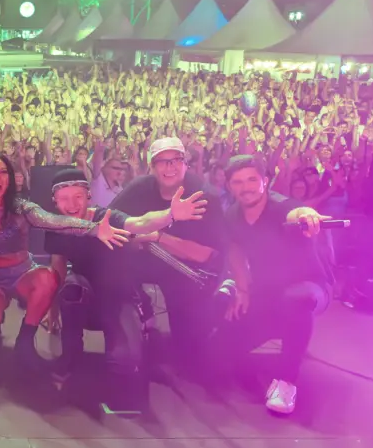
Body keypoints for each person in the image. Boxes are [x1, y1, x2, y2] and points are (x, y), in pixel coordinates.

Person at [0, 153, 133, 372]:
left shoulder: (22, 208)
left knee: (48, 279)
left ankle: (25, 341)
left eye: (3, 172)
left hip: (22, 274)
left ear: (9, 178)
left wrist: (94, 228)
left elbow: (55, 221)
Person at [46, 168, 206, 410]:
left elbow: (139, 223)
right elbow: (57, 265)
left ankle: (129, 342)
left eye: (78, 196)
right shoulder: (57, 227)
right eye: (64, 198)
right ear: (55, 201)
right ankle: (71, 355)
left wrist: (170, 214)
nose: (71, 204)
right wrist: (52, 309)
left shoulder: (107, 218)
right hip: (84, 296)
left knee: (125, 363)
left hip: (117, 297)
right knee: (71, 288)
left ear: (88, 195)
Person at [217, 155, 332, 415]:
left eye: (251, 180)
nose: (245, 187)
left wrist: (308, 215)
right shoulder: (232, 215)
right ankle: (285, 336)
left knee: (296, 299)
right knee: (221, 348)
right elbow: (234, 248)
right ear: (230, 186)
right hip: (267, 292)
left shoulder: (281, 207)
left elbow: (298, 212)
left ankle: (286, 382)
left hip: (309, 286)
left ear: (265, 181)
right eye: (237, 182)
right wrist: (242, 289)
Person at [108, 136, 228, 373]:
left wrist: (157, 236)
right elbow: (110, 221)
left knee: (189, 353)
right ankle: (135, 320)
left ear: (186, 163)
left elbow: (206, 255)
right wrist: (134, 237)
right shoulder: (140, 188)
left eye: (175, 160)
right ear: (151, 167)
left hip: (186, 269)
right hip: (143, 260)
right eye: (162, 161)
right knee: (110, 267)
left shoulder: (205, 196)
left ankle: (195, 343)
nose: (169, 167)